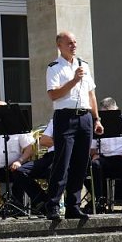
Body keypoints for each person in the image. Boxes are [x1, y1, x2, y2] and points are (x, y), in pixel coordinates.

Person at [43, 31, 103, 220]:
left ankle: (73, 205)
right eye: (69, 43)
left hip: (85, 117)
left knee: (81, 163)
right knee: (62, 162)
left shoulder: (84, 65)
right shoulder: (54, 67)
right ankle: (53, 205)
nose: (74, 46)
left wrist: (96, 118)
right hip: (65, 117)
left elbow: (91, 94)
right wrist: (74, 81)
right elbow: (53, 94)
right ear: (59, 45)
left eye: (75, 42)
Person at [89, 96, 122, 212]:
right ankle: (99, 202)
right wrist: (95, 154)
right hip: (105, 157)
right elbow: (92, 148)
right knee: (95, 165)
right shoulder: (97, 125)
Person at [14, 118, 56, 210]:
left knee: (52, 171)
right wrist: (66, 141)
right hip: (51, 156)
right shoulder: (55, 120)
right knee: (20, 171)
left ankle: (55, 205)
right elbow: (43, 141)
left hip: (70, 156)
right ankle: (43, 201)